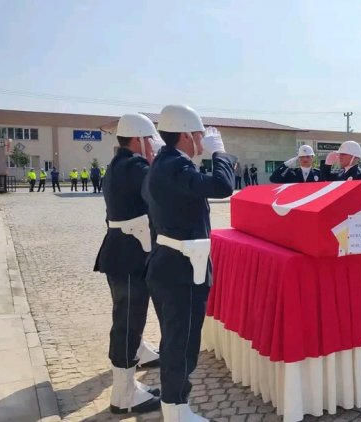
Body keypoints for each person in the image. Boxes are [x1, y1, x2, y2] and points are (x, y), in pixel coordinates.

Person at [143, 105, 236, 421]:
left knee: (176, 338)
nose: (203, 140)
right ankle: (176, 409)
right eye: (199, 135)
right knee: (181, 343)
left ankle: (175, 405)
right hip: (180, 270)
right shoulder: (176, 167)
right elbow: (223, 187)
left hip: (171, 265)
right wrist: (219, 155)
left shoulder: (165, 164)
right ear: (184, 134)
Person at [94, 113, 162, 415]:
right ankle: (123, 395)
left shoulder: (119, 164)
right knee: (127, 321)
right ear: (139, 140)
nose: (153, 148)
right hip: (131, 255)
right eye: (150, 142)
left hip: (122, 252)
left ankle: (138, 355)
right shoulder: (135, 167)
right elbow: (161, 197)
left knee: (130, 315)